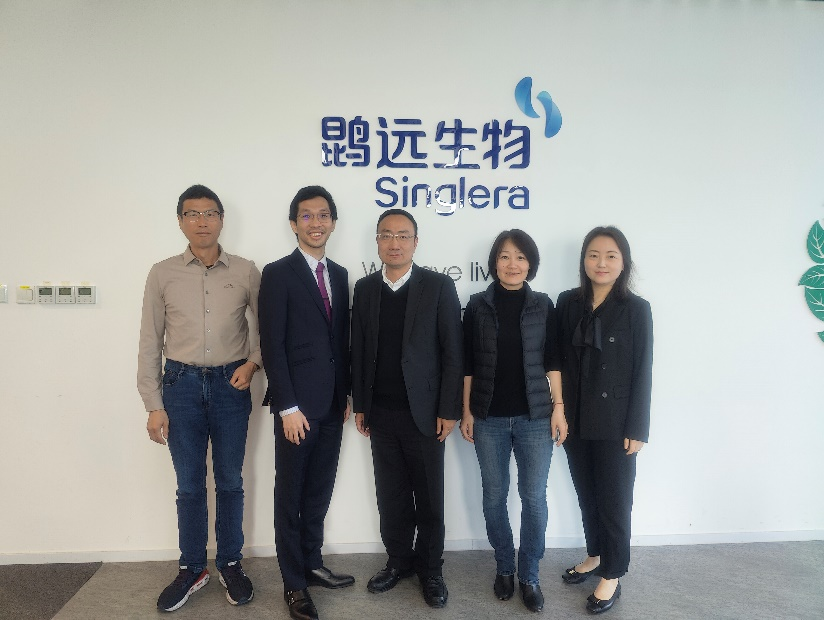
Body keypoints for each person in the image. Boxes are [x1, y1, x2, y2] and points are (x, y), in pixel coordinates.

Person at [138, 184, 260, 611]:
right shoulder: (162, 273)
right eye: (192, 214)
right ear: (180, 221)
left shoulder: (246, 271)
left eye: (209, 213)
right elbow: (150, 340)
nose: (201, 221)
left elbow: (267, 328)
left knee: (230, 480)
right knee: (189, 484)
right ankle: (192, 567)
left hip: (231, 385)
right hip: (180, 386)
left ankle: (230, 563)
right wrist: (153, 404)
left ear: (222, 219)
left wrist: (253, 363)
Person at [351, 208, 463, 609]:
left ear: (416, 242)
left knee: (429, 497)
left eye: (402, 235)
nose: (394, 243)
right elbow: (359, 349)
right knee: (391, 495)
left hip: (426, 413)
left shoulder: (438, 286)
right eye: (386, 235)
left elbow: (453, 351)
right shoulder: (365, 288)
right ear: (377, 241)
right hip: (381, 413)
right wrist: (360, 404)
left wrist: (449, 408)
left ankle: (431, 569)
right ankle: (398, 561)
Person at [258, 186, 353, 620]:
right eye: (307, 216)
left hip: (332, 405)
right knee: (290, 497)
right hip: (297, 409)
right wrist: (287, 406)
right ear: (294, 224)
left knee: (318, 491)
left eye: (323, 215)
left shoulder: (341, 274)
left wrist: (345, 393)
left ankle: (312, 563)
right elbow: (272, 344)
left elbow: (340, 342)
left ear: (333, 222)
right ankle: (294, 583)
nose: (316, 223)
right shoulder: (278, 273)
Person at [460, 229, 567, 613]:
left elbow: (553, 359)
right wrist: (467, 411)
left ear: (530, 263)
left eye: (520, 257)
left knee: (533, 498)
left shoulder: (543, 305)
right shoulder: (477, 306)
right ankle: (504, 566)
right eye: (505, 256)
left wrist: (559, 407)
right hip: (488, 418)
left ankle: (529, 574)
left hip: (534, 418)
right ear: (494, 262)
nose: (512, 264)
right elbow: (468, 364)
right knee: (493, 497)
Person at [554, 226, 653, 614]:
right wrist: (558, 410)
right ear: (584, 260)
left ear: (623, 262)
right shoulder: (568, 302)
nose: (601, 263)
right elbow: (557, 359)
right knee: (588, 494)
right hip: (574, 418)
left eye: (611, 255)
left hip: (616, 422)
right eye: (594, 254)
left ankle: (613, 573)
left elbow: (642, 370)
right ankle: (595, 554)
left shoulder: (636, 308)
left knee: (614, 500)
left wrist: (638, 428)